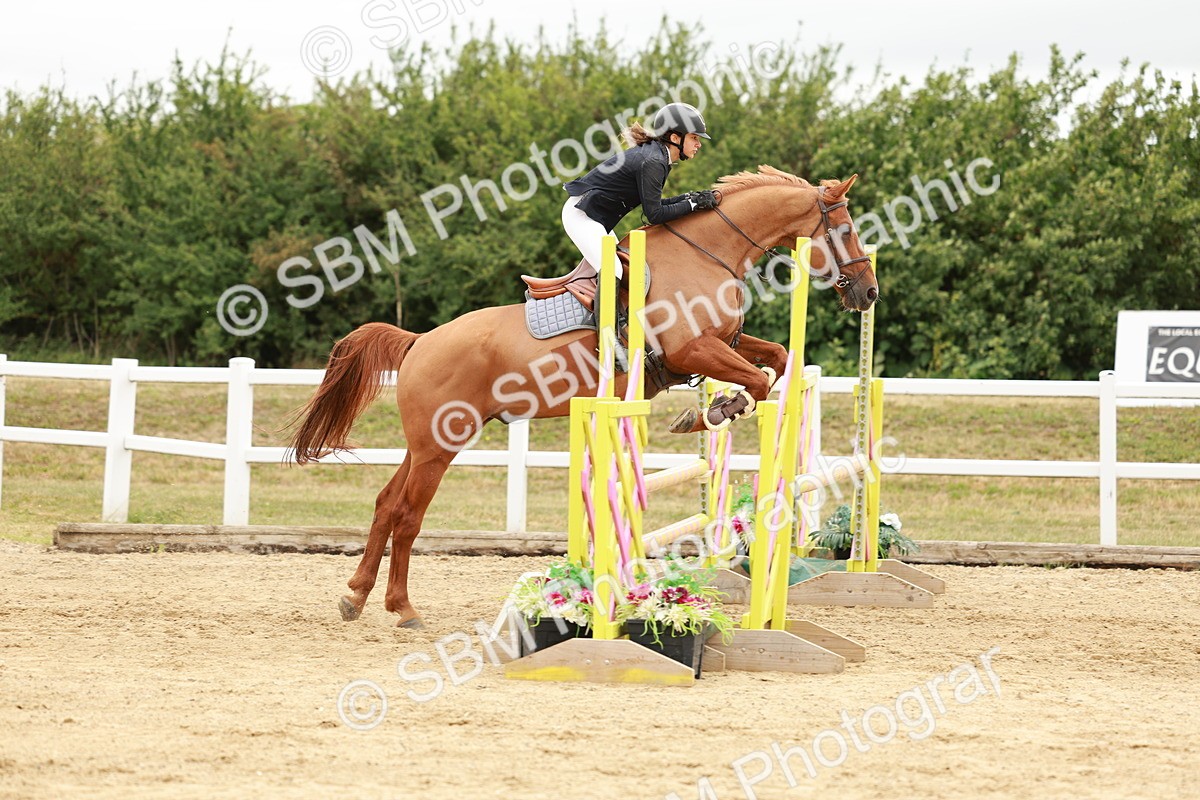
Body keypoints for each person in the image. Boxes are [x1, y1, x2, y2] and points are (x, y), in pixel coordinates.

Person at [562, 102, 718, 278]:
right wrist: (692, 204)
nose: (699, 144)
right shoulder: (654, 161)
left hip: (594, 217)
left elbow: (655, 205)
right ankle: (602, 307)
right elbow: (655, 215)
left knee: (628, 270)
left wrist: (689, 198)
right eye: (694, 138)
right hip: (581, 215)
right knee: (615, 272)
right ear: (675, 138)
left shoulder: (658, 156)